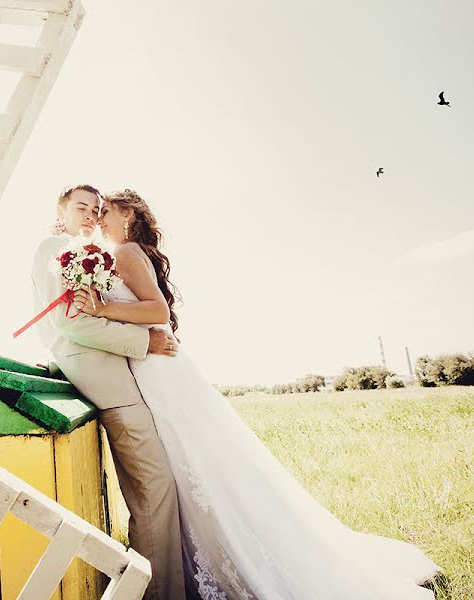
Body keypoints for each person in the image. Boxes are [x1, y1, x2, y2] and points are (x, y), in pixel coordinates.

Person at [73, 188, 442, 599]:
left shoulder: (125, 252)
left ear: (130, 214)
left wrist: (102, 309)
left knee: (201, 465)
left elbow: (157, 312)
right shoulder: (123, 254)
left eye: (108, 211)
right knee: (198, 467)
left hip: (162, 375)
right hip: (156, 373)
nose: (100, 218)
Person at [29, 184, 186, 600]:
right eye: (81, 207)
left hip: (115, 379)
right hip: (105, 381)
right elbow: (71, 323)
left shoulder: (87, 255)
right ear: (60, 211)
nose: (91, 215)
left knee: (154, 490)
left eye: (96, 209)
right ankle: (157, 594)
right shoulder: (54, 248)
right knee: (155, 491)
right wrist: (145, 343)